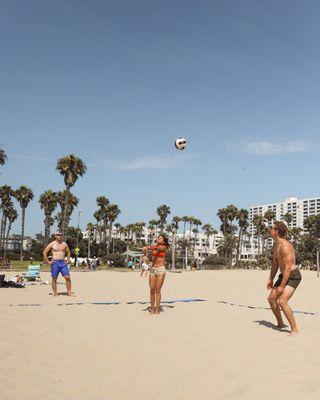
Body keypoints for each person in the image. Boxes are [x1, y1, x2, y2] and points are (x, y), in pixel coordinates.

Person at [267, 221, 302, 336]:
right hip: (284, 275)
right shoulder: (276, 245)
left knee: (282, 301)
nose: (269, 229)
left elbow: (287, 268)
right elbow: (275, 264)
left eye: (271, 228)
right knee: (271, 299)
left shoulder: (285, 246)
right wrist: (271, 279)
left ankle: (294, 329)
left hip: (293, 276)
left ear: (277, 231)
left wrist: (282, 286)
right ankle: (280, 323)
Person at [143, 234, 169, 315]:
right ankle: (152, 309)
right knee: (152, 290)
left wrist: (148, 247)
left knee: (157, 290)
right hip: (153, 269)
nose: (159, 239)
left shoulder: (164, 247)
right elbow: (146, 253)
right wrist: (145, 250)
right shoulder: (154, 246)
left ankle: (157, 309)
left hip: (161, 269)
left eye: (160, 238)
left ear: (163, 241)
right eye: (158, 238)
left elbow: (158, 248)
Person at [43, 232, 73, 297]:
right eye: (59, 235)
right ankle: (55, 293)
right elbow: (45, 252)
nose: (60, 236)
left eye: (61, 235)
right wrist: (48, 262)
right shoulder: (52, 244)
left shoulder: (64, 244)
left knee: (67, 277)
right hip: (55, 263)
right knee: (54, 278)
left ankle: (69, 293)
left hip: (63, 262)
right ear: (55, 236)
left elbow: (68, 252)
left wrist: (68, 259)